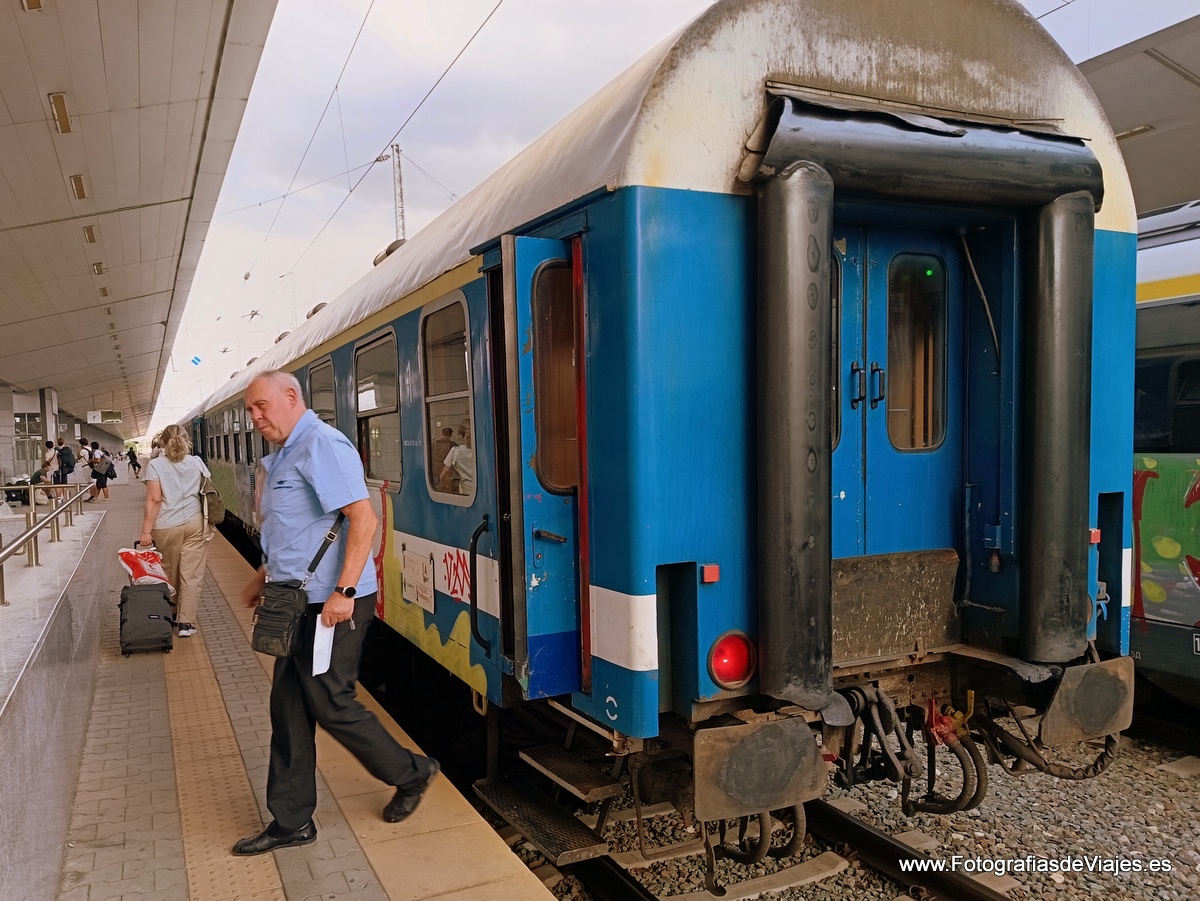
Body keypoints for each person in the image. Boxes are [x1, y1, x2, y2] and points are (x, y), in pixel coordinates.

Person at [232, 370, 439, 856]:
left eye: (262, 406)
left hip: (331, 604)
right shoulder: (285, 454)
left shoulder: (321, 444)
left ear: (291, 397)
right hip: (297, 601)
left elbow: (362, 518)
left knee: (331, 701)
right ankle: (292, 821)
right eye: (250, 410)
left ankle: (413, 773)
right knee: (287, 707)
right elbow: (299, 530)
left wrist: (344, 591)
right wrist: (264, 579)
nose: (256, 417)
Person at [138, 425, 210, 639]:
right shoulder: (197, 463)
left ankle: (168, 615)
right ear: (187, 441)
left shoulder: (155, 465)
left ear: (162, 441)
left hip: (166, 525)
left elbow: (154, 499)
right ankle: (186, 623)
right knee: (191, 573)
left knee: (169, 572)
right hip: (196, 523)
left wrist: (145, 532)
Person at [439, 419, 475, 496]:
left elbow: (444, 475)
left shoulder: (455, 451)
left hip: (466, 493)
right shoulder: (482, 451)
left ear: (461, 435)